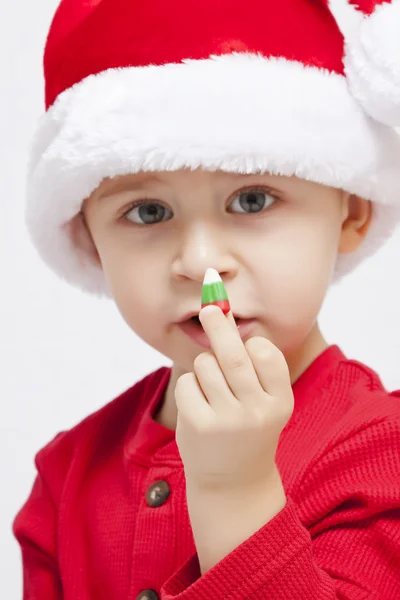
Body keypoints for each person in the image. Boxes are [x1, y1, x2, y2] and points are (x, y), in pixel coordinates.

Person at [12, 0, 400, 598]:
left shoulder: (381, 452)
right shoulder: (66, 476)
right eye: (147, 212)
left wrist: (236, 491)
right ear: (88, 238)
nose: (199, 262)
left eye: (251, 200)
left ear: (352, 212)